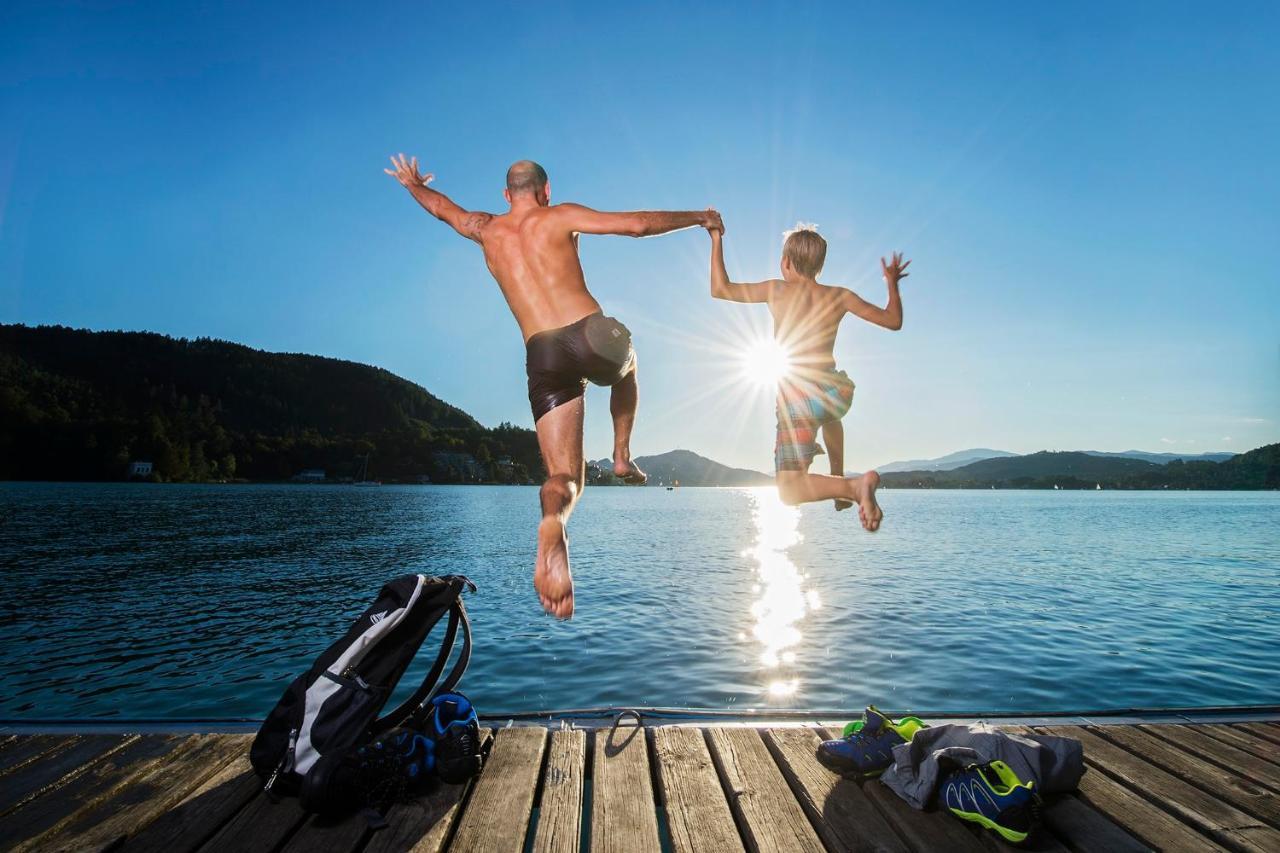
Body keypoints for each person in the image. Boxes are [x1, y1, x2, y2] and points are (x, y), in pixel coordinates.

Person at [386, 154, 721, 618]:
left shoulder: (485, 228)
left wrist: (411, 185)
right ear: (545, 190)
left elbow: (442, 208)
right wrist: (700, 218)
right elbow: (639, 225)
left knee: (565, 478)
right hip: (587, 331)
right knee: (629, 365)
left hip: (541, 354)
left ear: (506, 195)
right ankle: (623, 455)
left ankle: (552, 522)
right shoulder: (558, 214)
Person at [706, 221, 910, 530]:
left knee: (789, 492)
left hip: (798, 399)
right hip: (836, 393)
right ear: (820, 265)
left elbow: (720, 288)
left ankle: (851, 488)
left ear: (785, 262)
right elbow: (893, 320)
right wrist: (892, 283)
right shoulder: (840, 296)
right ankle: (837, 477)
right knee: (830, 415)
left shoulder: (777, 290)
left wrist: (716, 238)